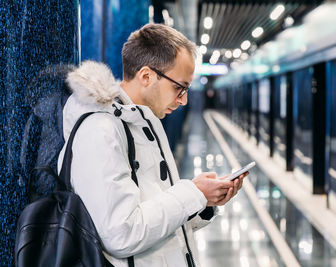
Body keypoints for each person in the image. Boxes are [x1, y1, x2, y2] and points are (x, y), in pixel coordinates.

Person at [57, 23, 248, 267]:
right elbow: (121, 234)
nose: (184, 100)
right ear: (146, 76)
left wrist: (203, 203)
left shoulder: (140, 123)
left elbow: (155, 219)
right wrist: (194, 192)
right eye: (179, 88)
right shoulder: (101, 131)